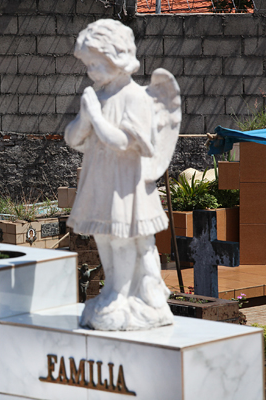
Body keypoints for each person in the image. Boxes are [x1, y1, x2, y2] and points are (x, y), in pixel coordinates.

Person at [65, 19, 181, 331]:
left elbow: (121, 141)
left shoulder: (137, 98)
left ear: (117, 59)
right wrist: (86, 116)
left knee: (123, 237)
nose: (91, 72)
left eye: (96, 64)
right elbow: (73, 138)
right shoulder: (98, 97)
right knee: (103, 235)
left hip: (125, 183)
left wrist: (96, 117)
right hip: (100, 179)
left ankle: (121, 291)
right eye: (88, 65)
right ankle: (115, 287)